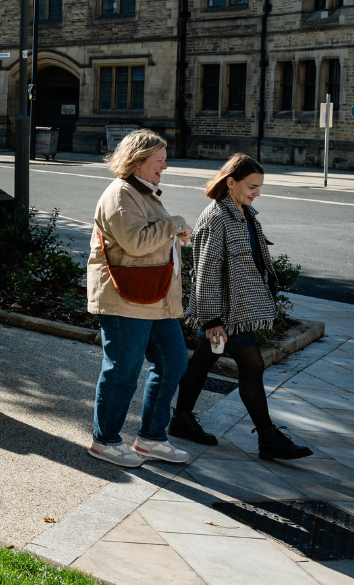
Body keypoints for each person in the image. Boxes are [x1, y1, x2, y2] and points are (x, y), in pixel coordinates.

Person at [173, 155, 313, 460]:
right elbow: (206, 272)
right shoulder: (216, 218)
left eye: (260, 186)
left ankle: (181, 419)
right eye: (253, 186)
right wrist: (211, 320)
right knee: (252, 366)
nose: (258, 192)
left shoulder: (244, 212)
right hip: (225, 313)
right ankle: (268, 438)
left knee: (201, 363)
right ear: (231, 182)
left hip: (236, 309)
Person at [87, 129, 193, 467]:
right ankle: (104, 441)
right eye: (160, 160)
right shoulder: (120, 194)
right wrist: (174, 224)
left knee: (174, 361)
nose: (166, 165)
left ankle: (150, 438)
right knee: (123, 369)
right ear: (139, 160)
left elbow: (151, 239)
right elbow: (135, 243)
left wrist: (175, 233)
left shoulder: (141, 192)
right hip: (125, 296)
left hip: (152, 296)